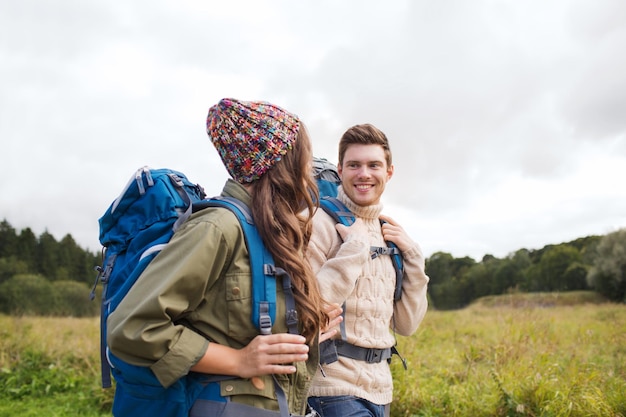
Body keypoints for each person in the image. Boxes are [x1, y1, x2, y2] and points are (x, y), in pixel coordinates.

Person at [107, 98, 338, 417]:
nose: (310, 171)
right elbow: (132, 327)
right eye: (304, 158)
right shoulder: (219, 227)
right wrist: (238, 361)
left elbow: (233, 324)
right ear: (279, 163)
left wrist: (308, 325)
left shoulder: (270, 232)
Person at [306, 124, 430, 417]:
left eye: (374, 165)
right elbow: (307, 312)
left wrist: (413, 257)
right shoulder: (318, 224)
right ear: (340, 169)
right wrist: (352, 253)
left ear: (389, 172)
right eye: (354, 165)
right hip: (330, 388)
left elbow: (406, 324)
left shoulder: (389, 231)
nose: (364, 174)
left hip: (381, 390)